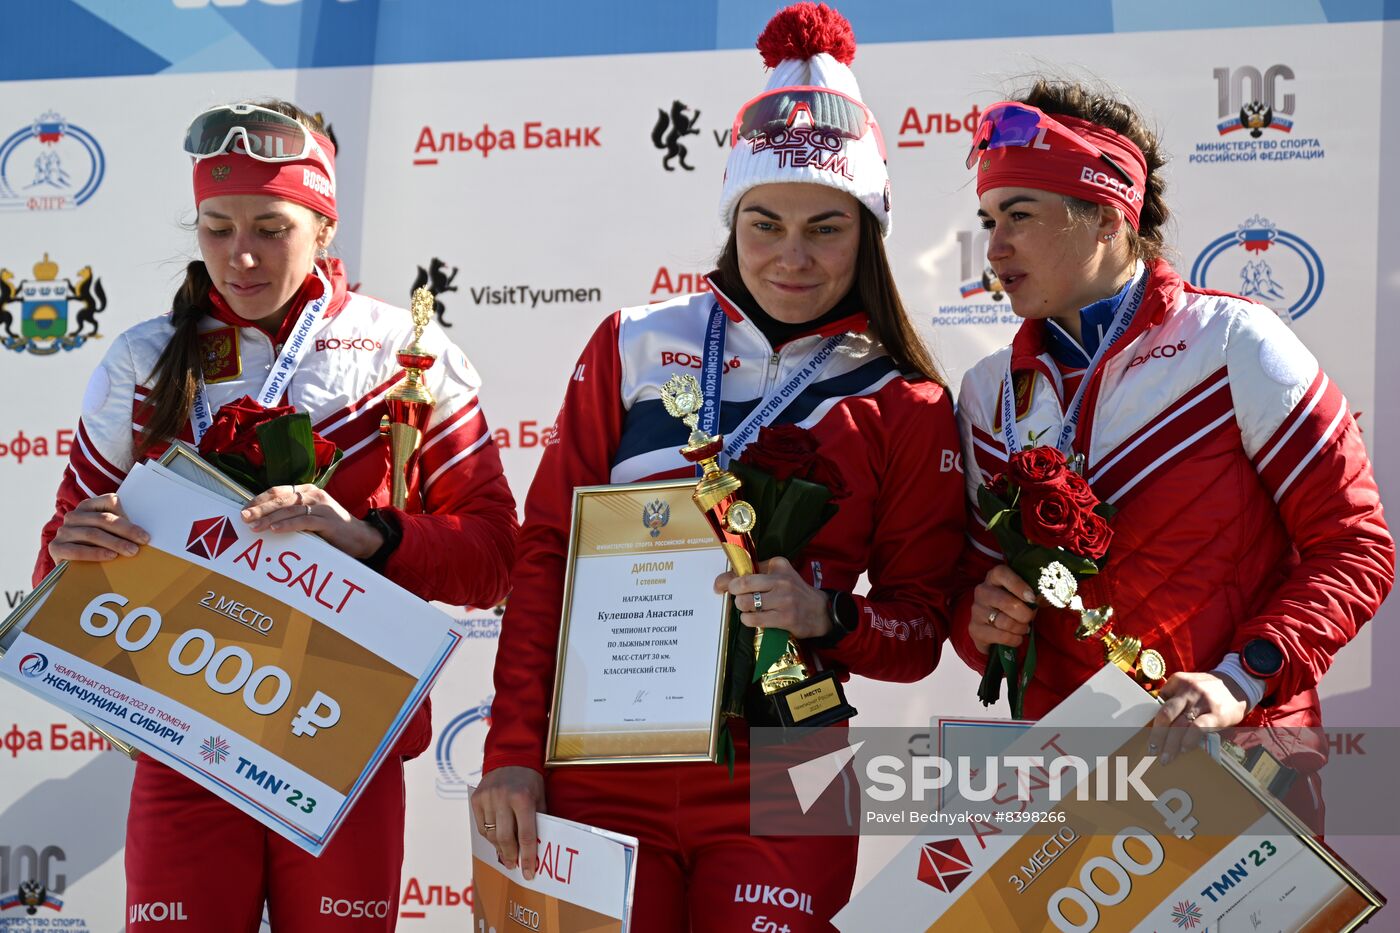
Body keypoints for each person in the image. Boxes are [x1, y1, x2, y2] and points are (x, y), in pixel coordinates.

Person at [473, 4, 966, 930]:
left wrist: (828, 614)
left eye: (826, 226)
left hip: (794, 760)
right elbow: (547, 558)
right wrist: (511, 749)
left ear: (868, 234)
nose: (791, 254)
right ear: (731, 216)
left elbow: (919, 630)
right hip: (606, 751)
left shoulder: (906, 402)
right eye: (765, 221)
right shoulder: (632, 341)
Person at [35, 100, 517, 931]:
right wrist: (75, 547)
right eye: (217, 228)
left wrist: (370, 535)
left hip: (344, 736)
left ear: (324, 225)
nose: (242, 255)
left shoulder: (408, 353)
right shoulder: (144, 359)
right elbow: (56, 567)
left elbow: (494, 555)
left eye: (272, 226)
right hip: (184, 733)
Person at [952, 79, 1394, 830]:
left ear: (1106, 214)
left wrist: (1240, 678)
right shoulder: (988, 391)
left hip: (1243, 766)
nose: (993, 247)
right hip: (1074, 790)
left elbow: (1355, 548)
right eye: (990, 218)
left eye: (1019, 216)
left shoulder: (1232, 342)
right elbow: (971, 601)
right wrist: (981, 619)